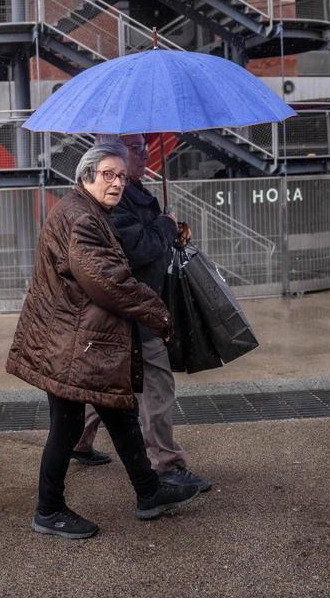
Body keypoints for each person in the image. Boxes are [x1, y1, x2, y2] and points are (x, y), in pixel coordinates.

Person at [7, 141, 201, 540]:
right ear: (86, 177)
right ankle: (48, 509)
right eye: (107, 175)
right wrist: (159, 314)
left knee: (121, 413)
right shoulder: (82, 219)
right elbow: (108, 283)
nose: (116, 184)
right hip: (70, 340)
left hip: (78, 338)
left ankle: (149, 492)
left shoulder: (91, 211)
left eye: (121, 176)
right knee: (66, 425)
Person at [71, 133, 211, 493]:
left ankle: (78, 441)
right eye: (135, 148)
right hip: (135, 307)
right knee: (156, 386)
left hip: (124, 307)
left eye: (144, 146)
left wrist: (168, 227)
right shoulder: (115, 199)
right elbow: (137, 248)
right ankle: (167, 463)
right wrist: (165, 225)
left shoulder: (132, 190)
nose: (145, 153)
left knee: (103, 383)